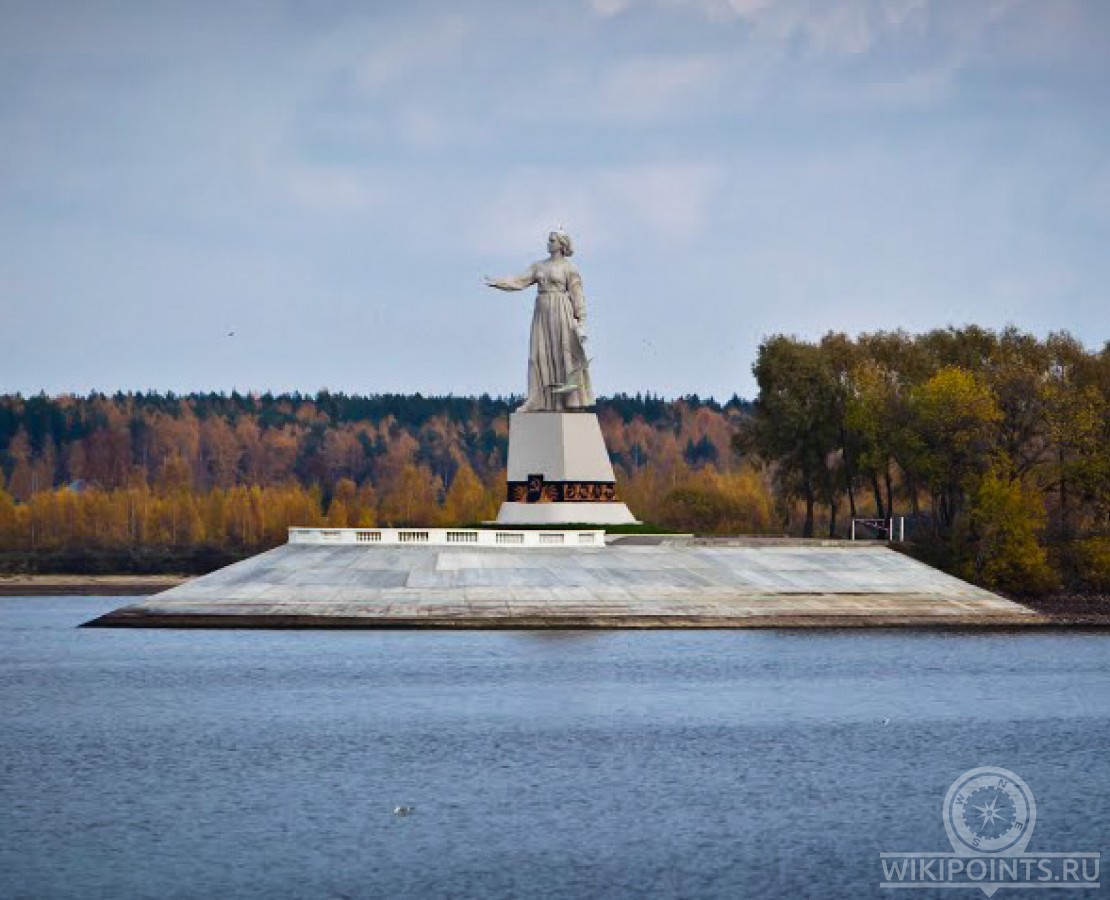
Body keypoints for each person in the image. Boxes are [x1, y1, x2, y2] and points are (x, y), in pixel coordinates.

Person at [485, 231, 595, 412]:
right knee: (538, 355)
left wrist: (581, 322)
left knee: (564, 355)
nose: (549, 243)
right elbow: (519, 281)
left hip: (562, 312)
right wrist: (498, 283)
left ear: (561, 244)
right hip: (542, 313)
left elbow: (577, 296)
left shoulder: (569, 268)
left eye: (552, 241)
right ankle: (536, 399)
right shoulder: (539, 266)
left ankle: (569, 401)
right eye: (549, 240)